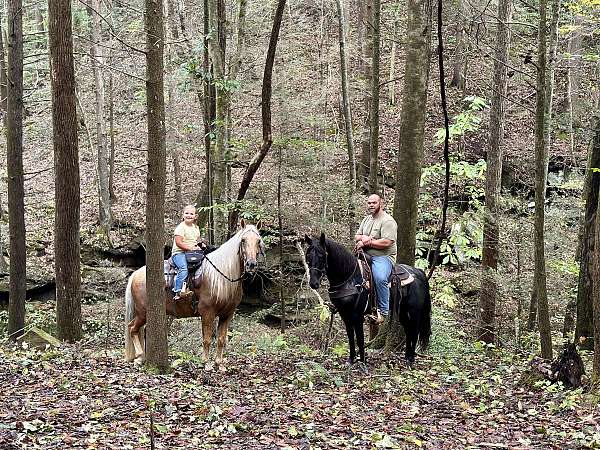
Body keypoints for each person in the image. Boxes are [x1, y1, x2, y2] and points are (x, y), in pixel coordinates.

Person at [355, 193, 397, 324]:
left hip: (382, 257)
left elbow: (387, 242)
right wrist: (363, 239)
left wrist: (368, 242)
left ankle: (383, 312)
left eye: (374, 203)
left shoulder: (388, 221)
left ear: (381, 204)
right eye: (369, 203)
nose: (371, 205)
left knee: (379, 278)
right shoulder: (367, 219)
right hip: (364, 255)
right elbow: (357, 235)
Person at [171, 205, 203, 301]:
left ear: (195, 216)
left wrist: (201, 246)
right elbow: (179, 243)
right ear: (183, 215)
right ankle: (178, 290)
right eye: (187, 213)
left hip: (192, 253)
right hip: (179, 253)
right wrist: (190, 248)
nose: (189, 215)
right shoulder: (181, 227)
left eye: (191, 214)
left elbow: (196, 240)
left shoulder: (196, 228)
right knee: (183, 268)